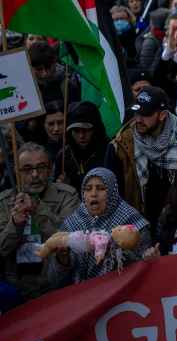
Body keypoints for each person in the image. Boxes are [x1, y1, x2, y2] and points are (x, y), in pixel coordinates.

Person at [106, 86, 177, 231]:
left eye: (145, 114)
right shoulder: (121, 145)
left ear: (162, 115)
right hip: (137, 226)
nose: (138, 119)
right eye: (136, 113)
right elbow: (113, 195)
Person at [0, 143, 79, 300]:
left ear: (49, 169)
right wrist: (15, 224)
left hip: (57, 286)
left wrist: (38, 210)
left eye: (41, 167)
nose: (35, 174)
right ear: (17, 171)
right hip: (16, 289)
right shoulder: (3, 202)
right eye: (27, 169)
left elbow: (71, 241)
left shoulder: (67, 196)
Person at [48, 168, 151, 286]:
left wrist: (114, 252)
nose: (93, 194)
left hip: (120, 293)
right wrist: (62, 260)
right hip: (81, 298)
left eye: (101, 188)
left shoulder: (131, 221)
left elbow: (143, 267)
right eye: (88, 189)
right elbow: (54, 281)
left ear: (112, 192)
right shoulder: (72, 223)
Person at [54, 101, 109, 191]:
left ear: (96, 129)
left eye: (86, 130)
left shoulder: (109, 151)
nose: (81, 136)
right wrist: (62, 186)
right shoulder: (64, 155)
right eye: (76, 131)